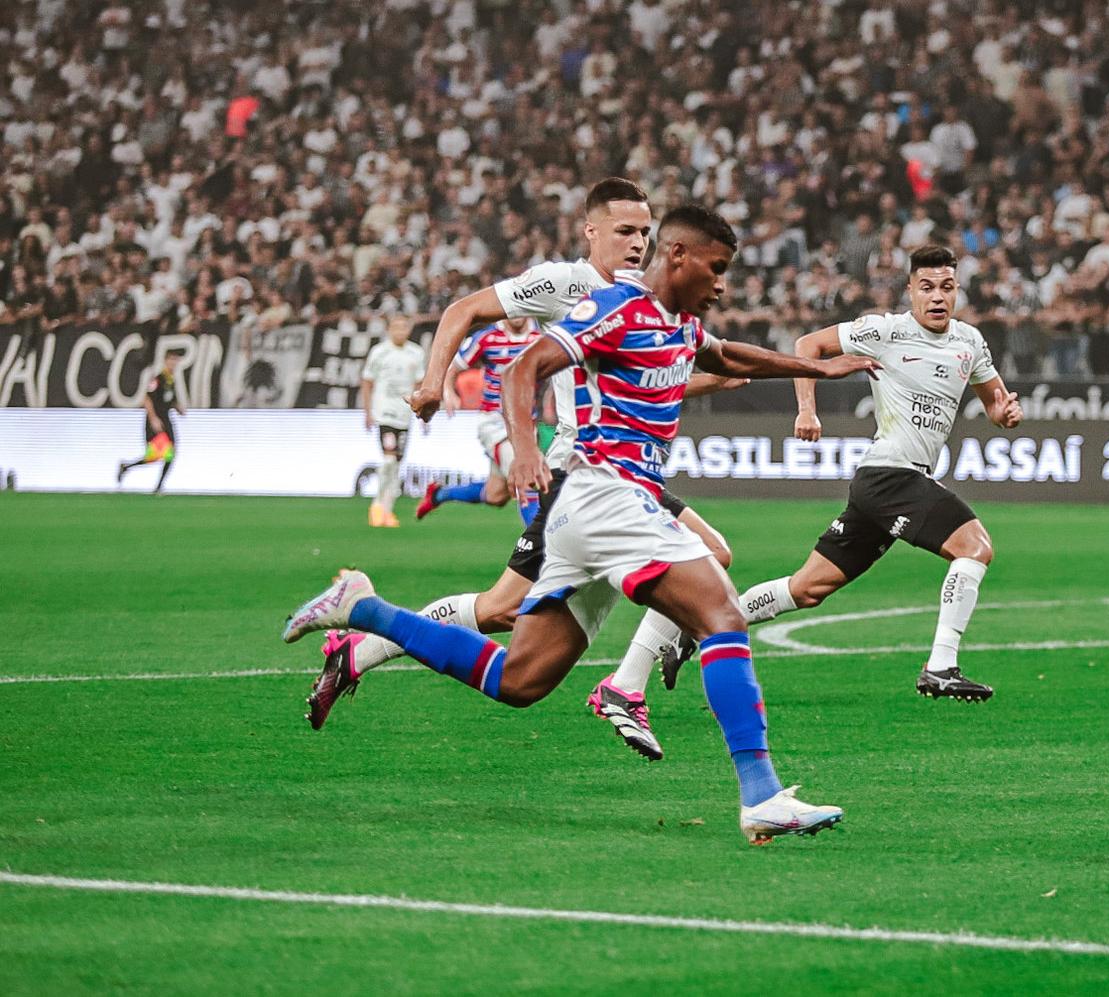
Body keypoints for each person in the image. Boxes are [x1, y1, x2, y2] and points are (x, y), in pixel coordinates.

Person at [283, 204, 880, 842]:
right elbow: (523, 368)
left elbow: (729, 355)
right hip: (604, 494)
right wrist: (525, 451)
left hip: (603, 509)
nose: (722, 284)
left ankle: (366, 610)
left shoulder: (679, 323)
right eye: (717, 268)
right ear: (678, 257)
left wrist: (815, 368)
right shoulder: (614, 307)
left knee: (520, 680)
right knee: (722, 614)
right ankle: (759, 793)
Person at [306, 178, 736, 763]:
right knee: (505, 609)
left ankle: (360, 646)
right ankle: (623, 688)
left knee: (504, 609)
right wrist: (436, 379)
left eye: (644, 232)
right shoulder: (567, 284)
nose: (638, 243)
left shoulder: (654, 300)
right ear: (591, 232)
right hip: (575, 478)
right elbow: (466, 309)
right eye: (624, 232)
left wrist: (722, 373)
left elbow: (656, 378)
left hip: (626, 478)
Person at [678, 245, 1022, 702]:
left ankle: (701, 627)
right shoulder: (885, 330)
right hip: (890, 475)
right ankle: (941, 665)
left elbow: (995, 403)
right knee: (974, 547)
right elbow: (809, 345)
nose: (937, 297)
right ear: (910, 292)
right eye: (927, 288)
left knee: (807, 588)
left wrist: (1006, 412)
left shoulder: (970, 343)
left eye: (946, 287)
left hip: (889, 485)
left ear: (956, 290)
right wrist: (807, 411)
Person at [413, 315, 545, 526]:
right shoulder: (487, 337)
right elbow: (453, 368)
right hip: (495, 422)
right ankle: (540, 551)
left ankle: (439, 495)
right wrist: (449, 392)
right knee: (525, 480)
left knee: (496, 495)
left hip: (527, 424)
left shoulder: (542, 335)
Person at [360, 317, 426, 527]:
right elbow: (367, 382)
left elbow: (419, 385)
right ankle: (377, 506)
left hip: (405, 416)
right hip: (384, 413)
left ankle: (387, 510)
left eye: (404, 327)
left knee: (397, 465)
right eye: (396, 327)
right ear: (389, 330)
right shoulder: (379, 352)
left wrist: (423, 413)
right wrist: (368, 411)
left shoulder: (416, 353)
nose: (400, 331)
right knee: (388, 461)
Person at [117, 350, 187, 492]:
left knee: (170, 453)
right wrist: (153, 418)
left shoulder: (170, 380)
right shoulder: (158, 378)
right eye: (171, 360)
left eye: (176, 361)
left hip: (166, 419)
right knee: (155, 455)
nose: (174, 364)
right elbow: (146, 398)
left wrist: (177, 407)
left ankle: (158, 486)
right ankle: (127, 467)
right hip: (156, 421)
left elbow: (167, 399)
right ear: (165, 361)